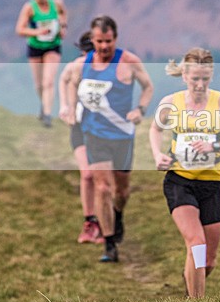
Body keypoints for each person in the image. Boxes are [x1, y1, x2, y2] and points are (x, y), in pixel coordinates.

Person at [149, 48, 220, 298]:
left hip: (212, 183)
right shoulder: (171, 102)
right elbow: (155, 129)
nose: (199, 84)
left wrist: (214, 146)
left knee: (208, 259)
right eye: (195, 78)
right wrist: (157, 155)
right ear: (184, 75)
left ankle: (192, 286)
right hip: (179, 181)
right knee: (196, 243)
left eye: (205, 79)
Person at [64, 15, 154, 263]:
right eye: (99, 41)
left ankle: (118, 214)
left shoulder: (128, 61)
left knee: (121, 191)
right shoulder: (83, 64)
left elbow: (148, 86)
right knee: (102, 187)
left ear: (115, 38)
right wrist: (71, 108)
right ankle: (110, 244)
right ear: (92, 40)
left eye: (108, 41)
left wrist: (140, 110)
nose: (104, 47)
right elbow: (71, 83)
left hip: (123, 135)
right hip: (95, 134)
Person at [58, 31, 101, 244]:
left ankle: (107, 221)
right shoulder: (76, 65)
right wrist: (65, 106)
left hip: (103, 129)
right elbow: (63, 80)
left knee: (103, 176)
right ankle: (90, 222)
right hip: (79, 127)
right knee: (87, 174)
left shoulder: (106, 68)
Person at [15, 0, 68, 127]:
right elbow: (19, 29)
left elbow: (63, 14)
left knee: (49, 81)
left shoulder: (56, 4)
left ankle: (47, 114)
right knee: (39, 84)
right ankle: (43, 104)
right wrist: (37, 32)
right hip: (35, 47)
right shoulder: (29, 8)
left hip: (53, 46)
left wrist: (63, 27)